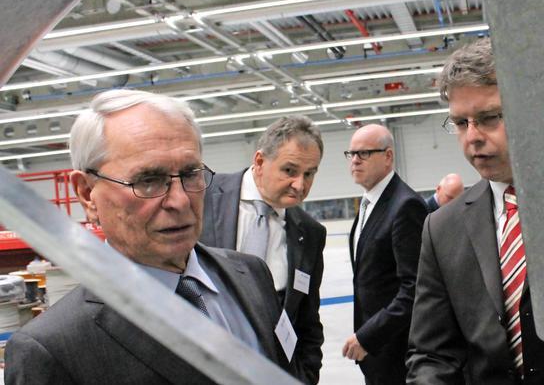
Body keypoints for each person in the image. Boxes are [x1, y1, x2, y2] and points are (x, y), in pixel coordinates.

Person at [4, 89, 290, 384]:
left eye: (191, 173)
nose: (179, 201)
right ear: (88, 194)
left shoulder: (251, 274)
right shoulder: (51, 350)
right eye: (149, 180)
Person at [406, 38, 544, 384]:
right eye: (460, 123)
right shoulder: (442, 229)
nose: (472, 137)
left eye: (488, 118)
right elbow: (432, 353)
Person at [201, 115, 326, 384]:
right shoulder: (204, 196)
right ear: (260, 162)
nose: (300, 185)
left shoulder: (311, 233)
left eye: (309, 173)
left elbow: (307, 322)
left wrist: (305, 376)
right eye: (289, 171)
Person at [341, 124, 427, 385]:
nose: (354, 160)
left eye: (364, 153)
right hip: (377, 352)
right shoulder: (369, 203)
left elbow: (414, 289)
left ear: (388, 156)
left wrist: (369, 336)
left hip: (397, 351)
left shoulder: (405, 206)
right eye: (351, 153)